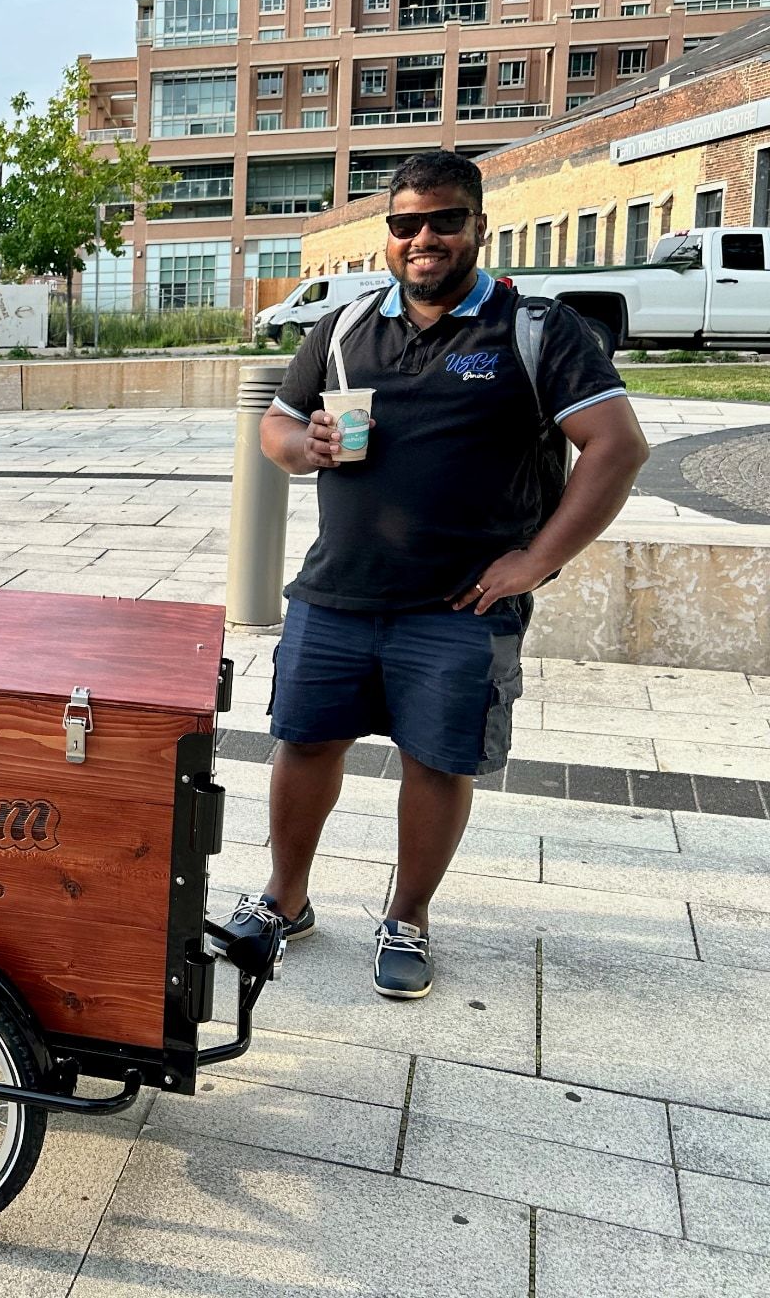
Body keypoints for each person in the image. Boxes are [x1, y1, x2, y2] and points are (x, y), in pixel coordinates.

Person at [214, 150, 649, 1000]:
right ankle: (283, 899)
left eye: (444, 219)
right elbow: (277, 422)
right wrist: (304, 446)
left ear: (478, 226)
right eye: (406, 222)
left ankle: (407, 914)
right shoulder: (344, 328)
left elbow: (619, 446)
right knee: (303, 744)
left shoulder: (536, 329)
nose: (424, 238)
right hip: (337, 589)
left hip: (458, 604)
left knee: (436, 762)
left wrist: (536, 560)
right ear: (388, 234)